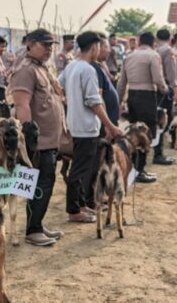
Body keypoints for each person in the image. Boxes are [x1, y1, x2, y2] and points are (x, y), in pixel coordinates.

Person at [58, 31, 123, 223]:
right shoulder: (87, 69)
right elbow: (94, 102)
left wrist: (71, 101)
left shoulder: (71, 66)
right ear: (94, 47)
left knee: (83, 169)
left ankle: (81, 205)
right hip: (86, 127)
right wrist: (110, 125)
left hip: (76, 125)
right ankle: (73, 210)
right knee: (79, 170)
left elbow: (57, 86)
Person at [10, 28, 65, 246]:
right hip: (38, 142)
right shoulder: (25, 70)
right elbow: (22, 104)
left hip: (49, 139)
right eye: (45, 45)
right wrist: (28, 139)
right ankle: (32, 230)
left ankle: (37, 224)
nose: (49, 49)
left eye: (51, 45)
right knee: (40, 182)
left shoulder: (41, 68)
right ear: (30, 44)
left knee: (46, 181)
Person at [117, 32, 166, 183]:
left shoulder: (129, 56)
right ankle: (140, 169)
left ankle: (132, 167)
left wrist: (119, 101)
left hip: (132, 96)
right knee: (145, 133)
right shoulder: (153, 55)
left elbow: (121, 82)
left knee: (133, 131)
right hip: (147, 96)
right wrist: (165, 89)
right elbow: (158, 79)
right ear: (153, 42)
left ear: (139, 42)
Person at [154, 29, 177, 165]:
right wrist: (176, 90)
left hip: (154, 89)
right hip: (165, 88)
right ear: (170, 37)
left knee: (157, 119)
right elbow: (171, 74)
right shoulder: (168, 51)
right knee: (164, 120)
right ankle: (158, 153)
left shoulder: (155, 50)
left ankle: (156, 150)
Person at [93, 33, 120, 125]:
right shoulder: (94, 68)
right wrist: (108, 125)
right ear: (97, 48)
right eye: (106, 47)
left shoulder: (100, 65)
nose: (109, 51)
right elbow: (98, 98)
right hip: (105, 122)